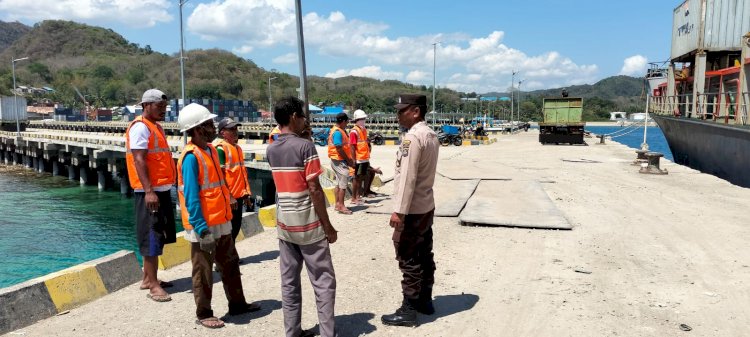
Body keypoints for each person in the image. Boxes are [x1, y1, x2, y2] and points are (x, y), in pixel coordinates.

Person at [176, 104, 260, 329]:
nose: (213, 126)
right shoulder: (191, 157)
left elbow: (219, 183)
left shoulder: (211, 150)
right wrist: (201, 228)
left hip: (221, 219)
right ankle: (204, 313)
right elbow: (192, 197)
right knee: (202, 272)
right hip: (203, 224)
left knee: (230, 263)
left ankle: (238, 304)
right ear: (196, 129)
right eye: (207, 124)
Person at [266, 96, 338, 337]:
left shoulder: (271, 148)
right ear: (294, 117)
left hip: (285, 225)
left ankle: (292, 332)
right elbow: (314, 189)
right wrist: (327, 226)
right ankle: (328, 333)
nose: (305, 120)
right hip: (308, 225)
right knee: (323, 281)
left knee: (289, 283)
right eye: (303, 116)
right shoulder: (305, 147)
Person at [381, 94, 440, 327]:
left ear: (415, 111)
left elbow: (407, 179)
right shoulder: (431, 134)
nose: (397, 115)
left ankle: (409, 309)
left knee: (408, 257)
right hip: (426, 205)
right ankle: (425, 300)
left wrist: (399, 212)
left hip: (412, 210)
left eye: (401, 110)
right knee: (425, 253)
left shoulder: (413, 138)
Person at [125, 88, 177, 303]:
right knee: (152, 236)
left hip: (161, 190)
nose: (163, 110)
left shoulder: (155, 127)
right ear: (146, 105)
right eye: (159, 107)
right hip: (150, 191)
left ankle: (148, 278)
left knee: (159, 233)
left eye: (165, 107)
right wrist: (148, 191)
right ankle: (153, 286)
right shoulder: (140, 127)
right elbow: (139, 159)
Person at [215, 118, 253, 241]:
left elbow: (240, 174)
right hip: (229, 198)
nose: (235, 131)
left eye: (236, 129)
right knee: (229, 229)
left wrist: (246, 195)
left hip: (239, 196)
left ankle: (230, 256)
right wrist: (230, 197)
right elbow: (220, 176)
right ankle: (226, 258)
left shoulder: (237, 148)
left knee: (236, 227)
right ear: (222, 133)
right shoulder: (220, 149)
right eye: (231, 129)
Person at [348, 109, 382, 201]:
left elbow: (363, 142)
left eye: (364, 119)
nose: (363, 120)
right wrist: (354, 160)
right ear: (357, 119)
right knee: (357, 178)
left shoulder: (363, 130)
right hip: (359, 158)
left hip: (364, 157)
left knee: (361, 177)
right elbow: (352, 146)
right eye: (362, 119)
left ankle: (359, 195)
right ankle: (355, 197)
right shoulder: (354, 131)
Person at [327, 112, 354, 214]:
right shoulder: (338, 132)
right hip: (339, 160)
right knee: (343, 183)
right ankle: (341, 206)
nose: (347, 123)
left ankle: (337, 204)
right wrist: (348, 160)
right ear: (343, 121)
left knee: (338, 183)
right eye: (346, 121)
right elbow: (339, 148)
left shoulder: (336, 130)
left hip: (336, 159)